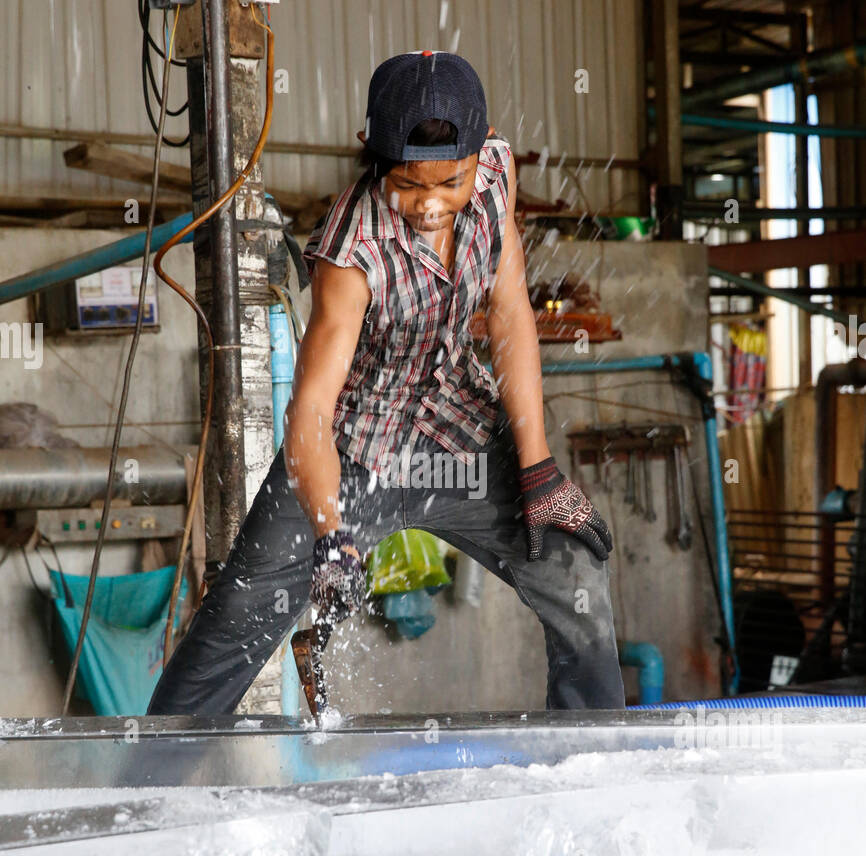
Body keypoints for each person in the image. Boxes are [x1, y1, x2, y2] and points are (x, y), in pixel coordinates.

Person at [148, 50, 624, 715]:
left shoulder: (495, 171)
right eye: (407, 184)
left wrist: (539, 469)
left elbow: (511, 310)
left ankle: (593, 766)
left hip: (457, 432)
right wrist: (328, 529)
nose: (430, 205)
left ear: (480, 152)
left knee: (576, 569)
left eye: (449, 183)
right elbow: (312, 405)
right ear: (370, 156)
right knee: (237, 619)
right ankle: (151, 792)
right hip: (346, 454)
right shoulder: (349, 250)